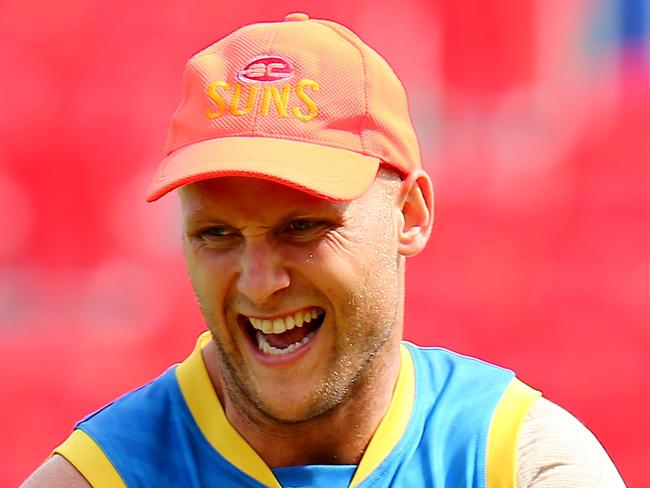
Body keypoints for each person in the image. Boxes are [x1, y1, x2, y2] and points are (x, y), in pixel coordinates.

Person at [23, 13, 625, 488]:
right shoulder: (101, 476)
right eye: (218, 235)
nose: (260, 282)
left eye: (304, 227)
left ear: (409, 216)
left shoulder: (515, 463)